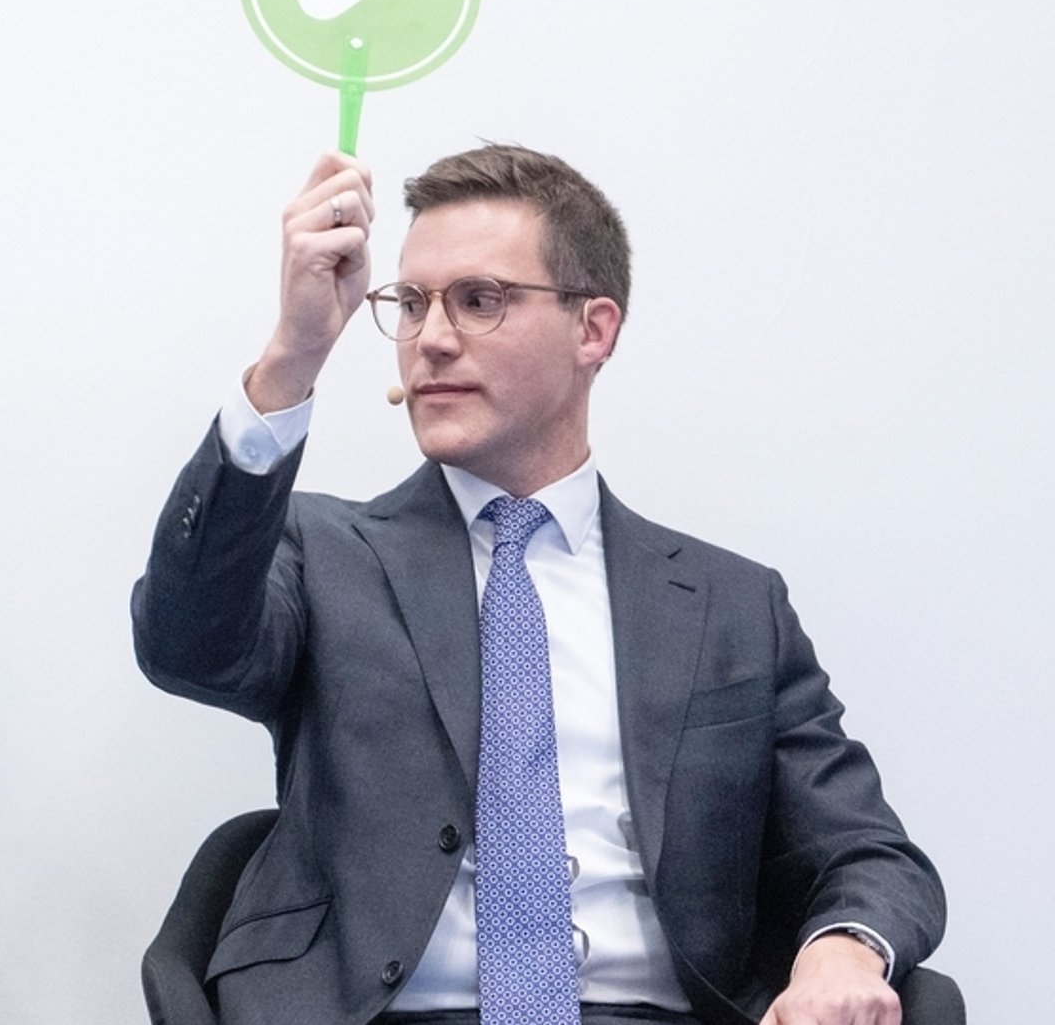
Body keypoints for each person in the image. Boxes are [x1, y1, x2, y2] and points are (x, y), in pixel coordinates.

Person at [132, 146, 942, 1025]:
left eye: (479, 300)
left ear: (593, 329)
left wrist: (842, 948)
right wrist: (292, 358)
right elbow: (186, 645)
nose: (431, 338)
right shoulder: (320, 552)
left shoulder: (732, 605)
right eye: (410, 303)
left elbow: (866, 851)